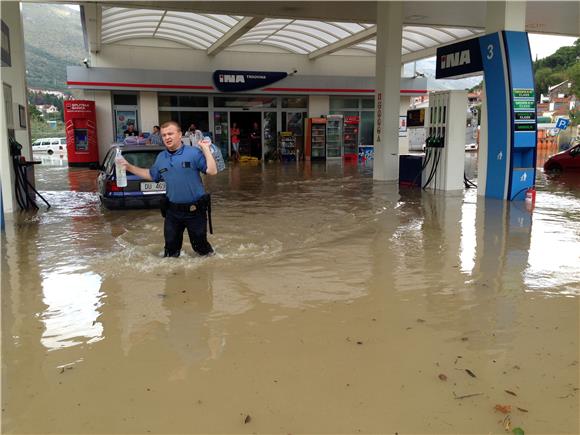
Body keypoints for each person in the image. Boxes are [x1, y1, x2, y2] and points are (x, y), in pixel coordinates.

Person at [120, 120, 218, 257]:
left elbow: (212, 171)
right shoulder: (161, 158)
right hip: (172, 212)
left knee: (201, 249)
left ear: (179, 134)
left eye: (170, 133)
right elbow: (151, 175)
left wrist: (206, 149)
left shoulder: (194, 153)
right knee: (170, 252)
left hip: (195, 211)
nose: (167, 137)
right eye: (164, 135)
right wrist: (129, 166)